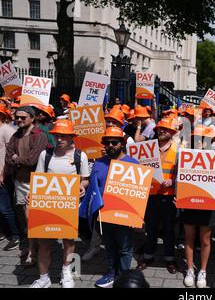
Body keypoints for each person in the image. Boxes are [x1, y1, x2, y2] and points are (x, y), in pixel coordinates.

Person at [30, 120, 89, 288]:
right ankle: (43, 278)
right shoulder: (45, 155)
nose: (59, 138)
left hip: (70, 206)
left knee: (69, 241)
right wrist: (32, 195)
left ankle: (66, 273)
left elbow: (85, 180)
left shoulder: (80, 156)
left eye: (63, 135)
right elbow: (39, 180)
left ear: (71, 137)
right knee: (45, 243)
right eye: (57, 135)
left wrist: (81, 187)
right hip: (48, 206)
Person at [91, 127, 140, 287]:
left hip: (124, 215)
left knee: (125, 247)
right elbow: (94, 188)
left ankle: (124, 277)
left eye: (114, 142)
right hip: (104, 213)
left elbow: (139, 193)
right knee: (110, 246)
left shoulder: (133, 164)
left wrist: (136, 216)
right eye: (107, 142)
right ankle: (112, 272)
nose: (110, 145)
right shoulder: (98, 163)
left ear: (122, 143)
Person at [180, 125, 215, 288]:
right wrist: (178, 196)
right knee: (189, 237)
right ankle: (190, 269)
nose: (199, 142)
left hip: (208, 204)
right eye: (196, 139)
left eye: (202, 139)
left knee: (205, 240)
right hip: (189, 203)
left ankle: (203, 270)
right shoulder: (184, 155)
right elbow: (180, 178)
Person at [5, 105, 48, 266]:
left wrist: (17, 159)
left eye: (23, 117)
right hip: (20, 181)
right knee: (24, 217)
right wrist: (17, 159)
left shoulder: (40, 136)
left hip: (36, 183)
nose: (19, 120)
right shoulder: (16, 135)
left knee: (33, 218)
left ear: (32, 118)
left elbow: (33, 160)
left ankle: (33, 251)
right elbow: (8, 158)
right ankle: (31, 245)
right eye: (17, 117)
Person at [137, 119, 178, 274]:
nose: (161, 131)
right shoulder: (148, 148)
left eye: (165, 129)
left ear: (172, 132)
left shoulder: (179, 150)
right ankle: (148, 257)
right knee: (151, 227)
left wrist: (173, 181)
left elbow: (185, 174)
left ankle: (170, 258)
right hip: (151, 194)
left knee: (169, 229)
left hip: (169, 196)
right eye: (159, 129)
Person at [0, 105, 20, 251]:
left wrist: (3, 172)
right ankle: (5, 232)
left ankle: (15, 235)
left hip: (4, 175)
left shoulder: (7, 130)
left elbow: (10, 153)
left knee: (5, 207)